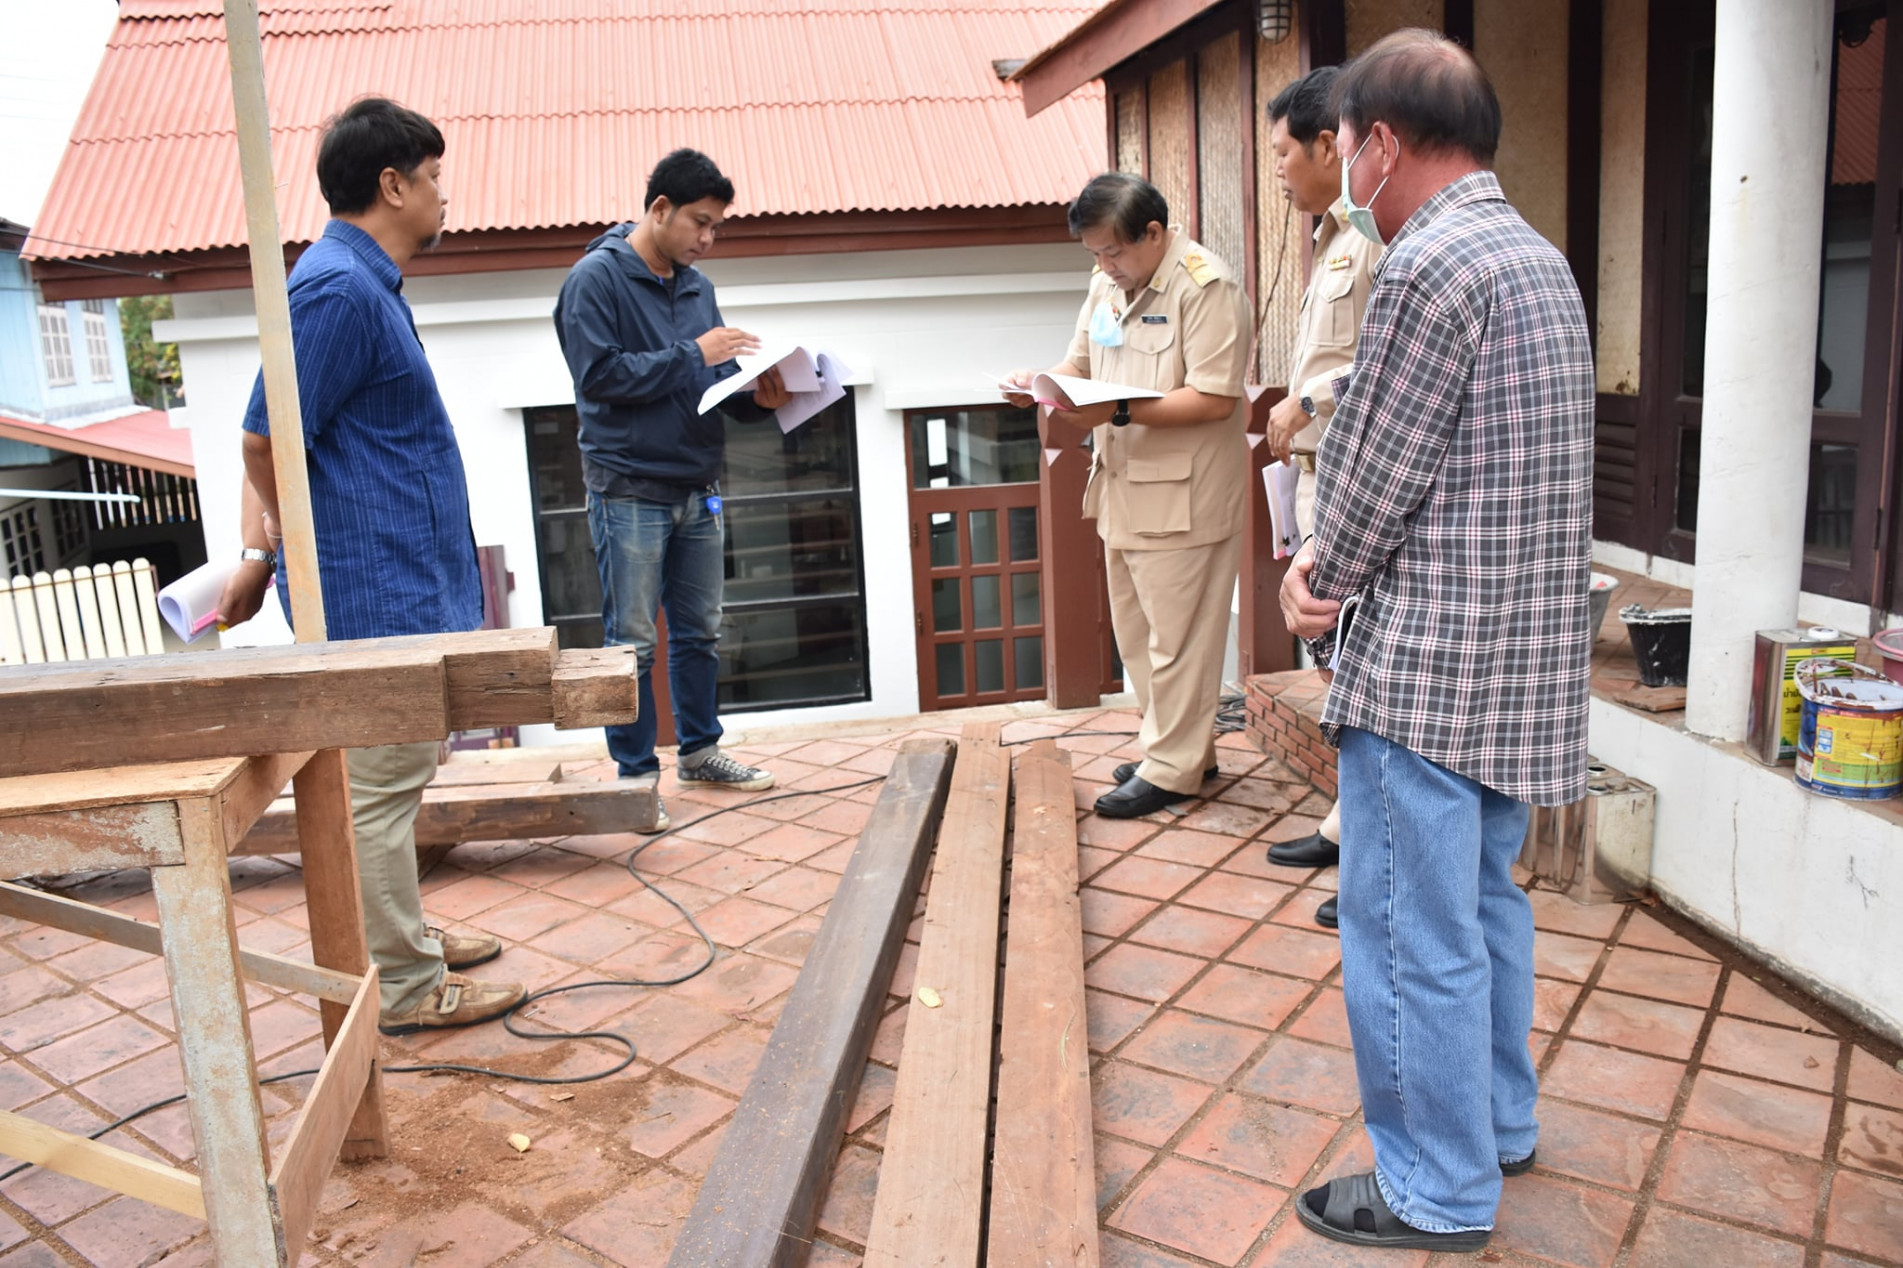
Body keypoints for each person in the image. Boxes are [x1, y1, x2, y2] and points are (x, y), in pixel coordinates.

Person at [1279, 30, 1594, 1251]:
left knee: (1410, 933)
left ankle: (1433, 1186)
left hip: (1430, 663)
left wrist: (1319, 571)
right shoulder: (1534, 257)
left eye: (1345, 139)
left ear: (1382, 142)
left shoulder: (1423, 264)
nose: (1342, 161)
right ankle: (1498, 1127)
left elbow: (1379, 470)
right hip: (1519, 661)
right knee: (1481, 908)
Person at [225, 97, 525, 1036]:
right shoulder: (337, 292)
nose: (444, 195)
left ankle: (407, 944)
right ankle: (402, 985)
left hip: (405, 582)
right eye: (434, 178)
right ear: (392, 184)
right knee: (377, 791)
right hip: (373, 593)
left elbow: (285, 432)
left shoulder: (362, 287)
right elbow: (265, 436)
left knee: (394, 782)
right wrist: (269, 550)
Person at [553, 149, 788, 832]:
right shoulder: (593, 280)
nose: (706, 240)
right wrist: (696, 353)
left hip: (697, 485)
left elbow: (704, 388)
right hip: (628, 488)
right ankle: (634, 779)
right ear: (659, 210)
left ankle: (701, 752)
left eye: (715, 228)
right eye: (698, 223)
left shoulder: (695, 285)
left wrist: (761, 399)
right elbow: (598, 378)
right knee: (631, 643)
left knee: (699, 632)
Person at [1009, 173, 1252, 819]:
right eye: (1093, 254)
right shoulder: (1105, 287)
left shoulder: (1207, 286)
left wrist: (1114, 410)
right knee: (1139, 638)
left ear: (1153, 233)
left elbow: (1214, 396)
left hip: (1186, 497)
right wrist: (1038, 385)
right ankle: (1173, 750)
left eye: (1113, 252)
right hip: (1122, 489)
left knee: (1179, 641)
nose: (1104, 265)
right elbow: (1079, 366)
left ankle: (1172, 769)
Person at [1262, 64, 1382, 929]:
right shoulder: (1333, 238)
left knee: (1360, 674)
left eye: (1283, 152)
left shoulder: (1376, 233)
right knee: (1334, 669)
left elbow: (1384, 359)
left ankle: (1373, 870)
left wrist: (1307, 400)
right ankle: (1349, 828)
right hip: (1314, 475)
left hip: (1353, 481)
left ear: (1328, 144)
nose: (1277, 170)